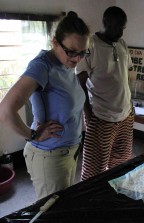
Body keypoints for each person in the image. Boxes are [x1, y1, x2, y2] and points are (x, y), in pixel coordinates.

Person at [0, 11, 90, 199]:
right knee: (52, 213)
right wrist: (33, 135)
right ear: (55, 42)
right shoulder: (42, 66)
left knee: (62, 207)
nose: (77, 59)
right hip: (50, 156)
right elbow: (5, 110)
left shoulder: (64, 64)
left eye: (82, 52)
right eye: (72, 51)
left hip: (68, 152)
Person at [76, 6, 134, 181]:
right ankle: (90, 204)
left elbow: (126, 75)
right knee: (94, 170)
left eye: (123, 28)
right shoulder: (91, 45)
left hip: (126, 115)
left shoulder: (122, 44)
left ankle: (112, 196)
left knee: (120, 165)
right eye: (118, 27)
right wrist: (88, 113)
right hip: (101, 116)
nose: (121, 32)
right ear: (106, 22)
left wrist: (131, 106)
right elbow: (80, 80)